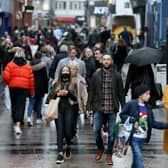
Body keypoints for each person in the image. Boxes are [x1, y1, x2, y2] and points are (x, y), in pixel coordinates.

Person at [120, 84, 168, 168]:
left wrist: (166, 125)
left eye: (149, 94)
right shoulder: (131, 104)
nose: (149, 96)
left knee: (136, 160)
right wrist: (132, 120)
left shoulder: (148, 107)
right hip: (133, 138)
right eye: (147, 94)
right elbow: (122, 115)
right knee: (138, 157)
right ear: (140, 94)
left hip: (142, 138)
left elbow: (153, 123)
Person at [89, 54, 125, 165]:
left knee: (112, 134)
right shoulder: (96, 75)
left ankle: (109, 154)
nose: (106, 61)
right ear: (101, 61)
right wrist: (89, 107)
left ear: (111, 61)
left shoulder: (117, 76)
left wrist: (124, 107)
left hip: (112, 108)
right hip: (99, 107)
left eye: (108, 59)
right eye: (104, 59)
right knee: (96, 131)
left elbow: (121, 93)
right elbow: (91, 91)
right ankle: (100, 148)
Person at [47, 65, 77, 164]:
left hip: (69, 109)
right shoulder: (56, 83)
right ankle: (60, 154)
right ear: (60, 72)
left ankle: (68, 145)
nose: (65, 72)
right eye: (63, 70)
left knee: (68, 132)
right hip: (58, 109)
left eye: (66, 70)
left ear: (69, 72)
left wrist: (68, 93)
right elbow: (49, 97)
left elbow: (75, 99)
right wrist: (57, 94)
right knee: (60, 131)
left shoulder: (73, 84)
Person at [3, 48, 34, 135]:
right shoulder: (27, 66)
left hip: (13, 87)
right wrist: (31, 92)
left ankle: (14, 119)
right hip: (24, 88)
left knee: (14, 103)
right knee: (21, 105)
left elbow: (5, 76)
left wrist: (9, 83)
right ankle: (18, 123)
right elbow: (31, 80)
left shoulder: (10, 64)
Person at [27, 51, 48, 126]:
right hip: (41, 86)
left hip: (31, 85)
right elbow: (45, 78)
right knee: (39, 102)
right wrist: (46, 89)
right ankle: (38, 118)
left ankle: (29, 117)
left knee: (31, 102)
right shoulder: (43, 66)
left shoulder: (29, 65)